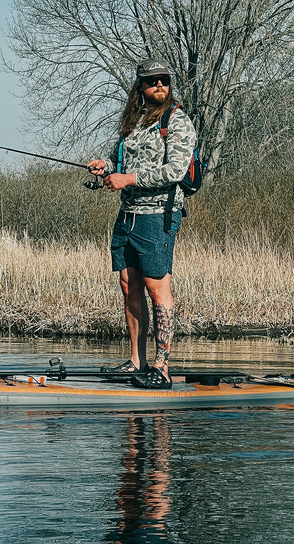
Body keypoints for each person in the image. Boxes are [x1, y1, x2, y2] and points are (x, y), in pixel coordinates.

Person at [87, 59, 197, 390]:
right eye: (151, 82)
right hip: (128, 216)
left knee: (157, 288)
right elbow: (117, 161)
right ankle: (137, 361)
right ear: (141, 88)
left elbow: (176, 171)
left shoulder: (178, 123)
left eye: (164, 80)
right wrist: (103, 167)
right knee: (127, 285)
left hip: (158, 216)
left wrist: (128, 178)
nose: (159, 85)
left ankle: (161, 367)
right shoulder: (132, 123)